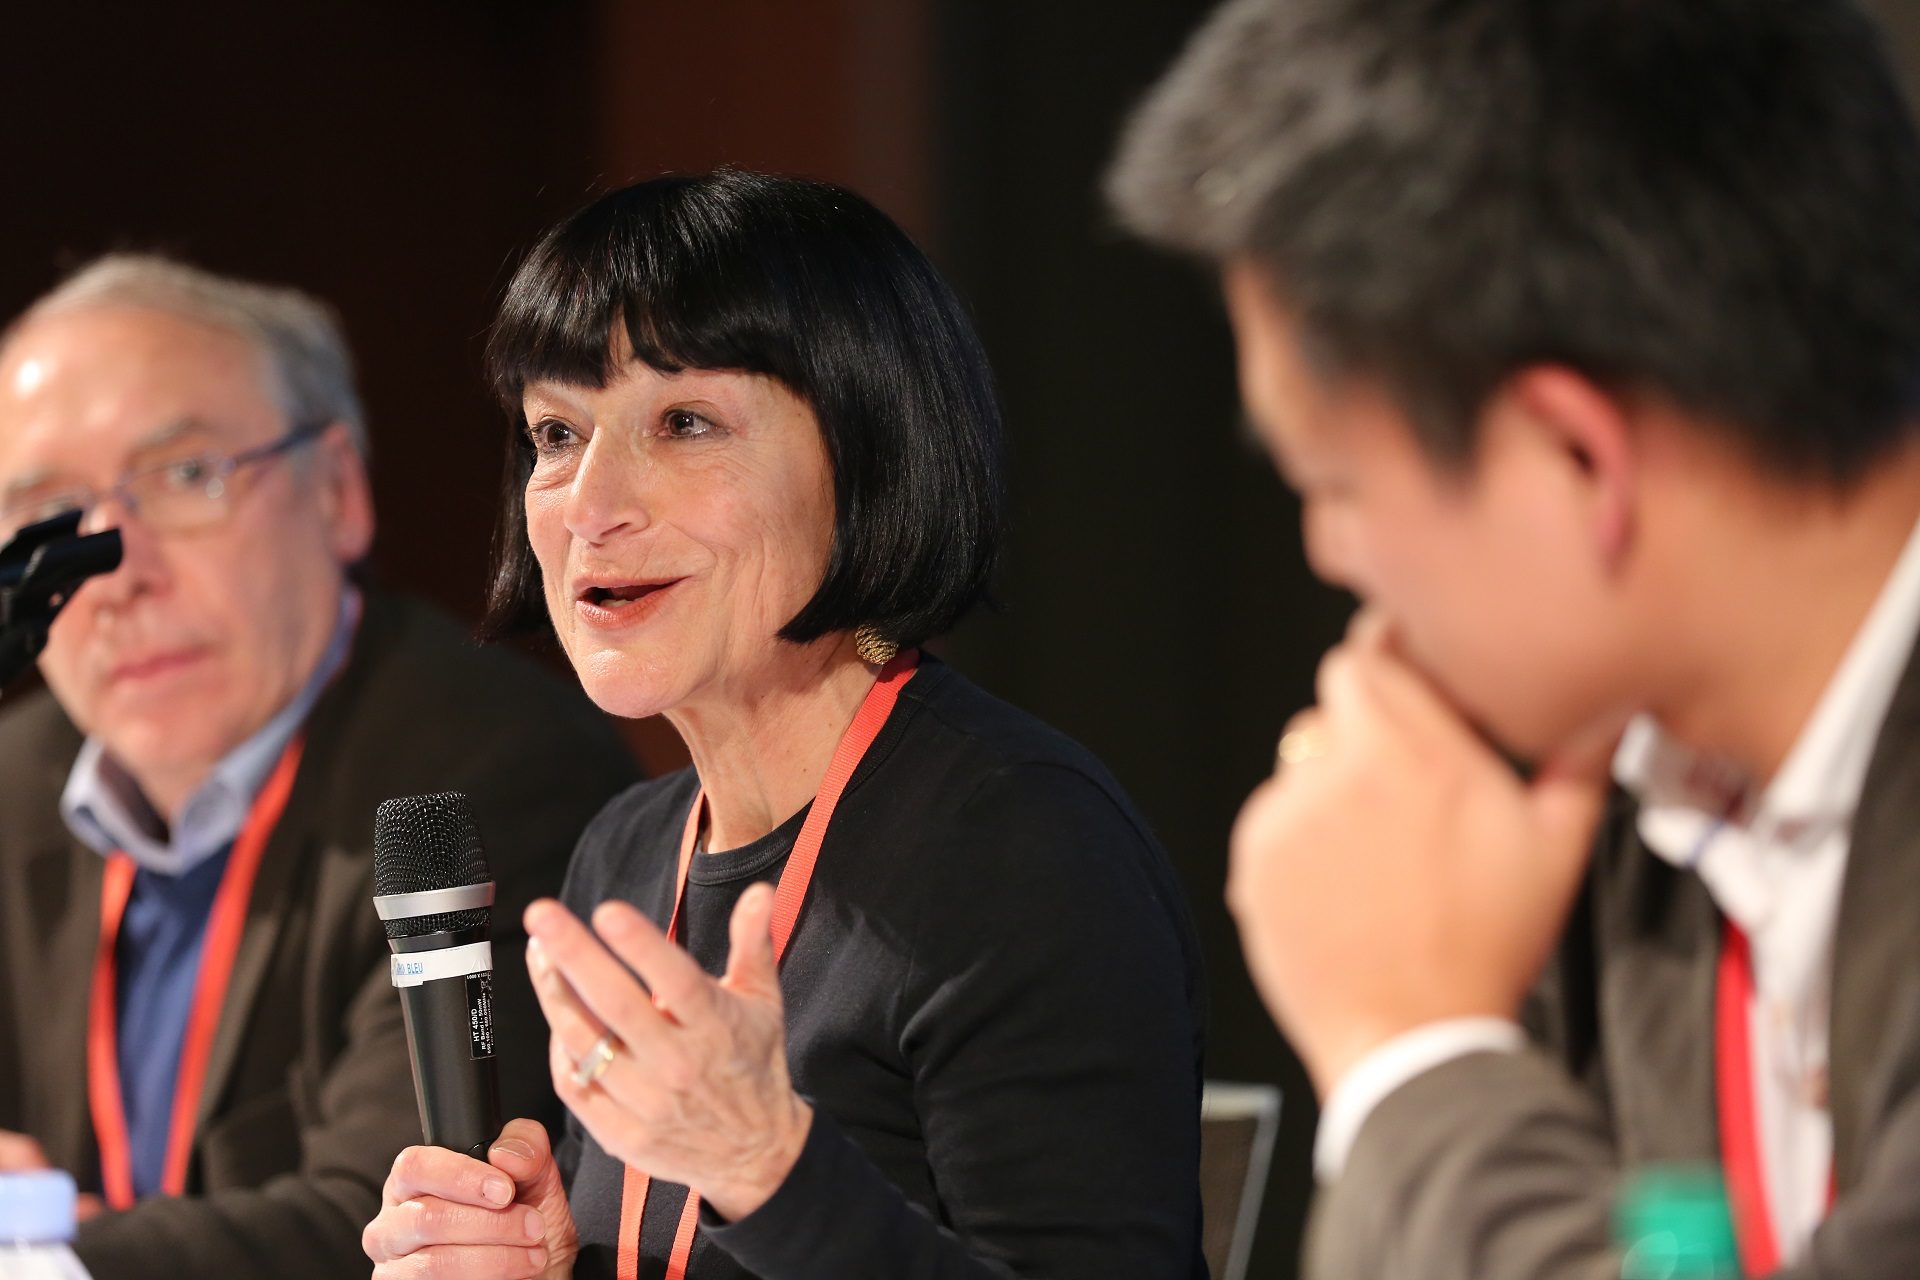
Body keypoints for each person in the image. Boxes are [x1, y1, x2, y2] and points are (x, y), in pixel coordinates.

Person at [1105, 0, 1920, 1277]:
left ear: (1574, 457)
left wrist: (1413, 1053)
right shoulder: (1584, 817)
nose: (1333, 557)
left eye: (1332, 482)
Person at [361, 171, 1209, 1280]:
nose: (594, 501)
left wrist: (768, 1165)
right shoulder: (626, 849)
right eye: (557, 432)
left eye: (685, 421)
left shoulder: (1025, 843)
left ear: (868, 462)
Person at [0, 256, 641, 1278]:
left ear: (338, 491)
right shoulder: (13, 780)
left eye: (186, 477)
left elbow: (404, 1218)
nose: (113, 568)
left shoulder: (493, 773)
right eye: (46, 510)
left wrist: (36, 1254)